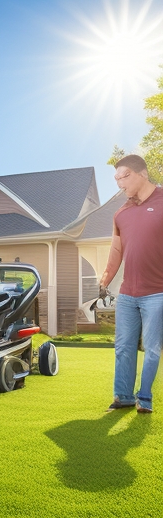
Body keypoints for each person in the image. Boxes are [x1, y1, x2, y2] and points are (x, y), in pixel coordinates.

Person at [100, 154, 163, 414]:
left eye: (124, 176)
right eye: (116, 179)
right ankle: (123, 396)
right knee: (123, 347)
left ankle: (144, 398)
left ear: (142, 174)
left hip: (157, 292)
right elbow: (116, 251)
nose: (119, 184)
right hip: (127, 294)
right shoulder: (121, 214)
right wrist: (104, 280)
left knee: (151, 348)